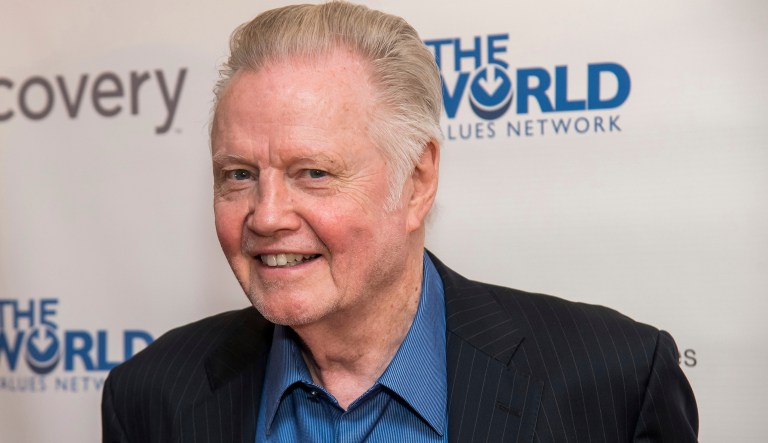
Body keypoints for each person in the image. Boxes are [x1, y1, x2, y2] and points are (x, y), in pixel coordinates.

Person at [101, 2, 698, 442]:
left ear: (417, 181)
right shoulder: (151, 397)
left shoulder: (614, 380)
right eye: (238, 174)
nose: (268, 215)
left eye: (313, 172)